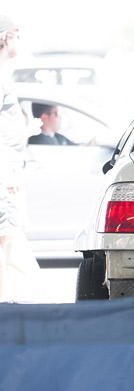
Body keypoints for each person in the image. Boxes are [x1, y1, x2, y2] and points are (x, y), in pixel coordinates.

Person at [0, 15, 39, 301]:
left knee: (13, 238)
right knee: (7, 239)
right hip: (5, 175)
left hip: (9, 169)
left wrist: (24, 130)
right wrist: (6, 174)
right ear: (6, 38)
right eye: (17, 35)